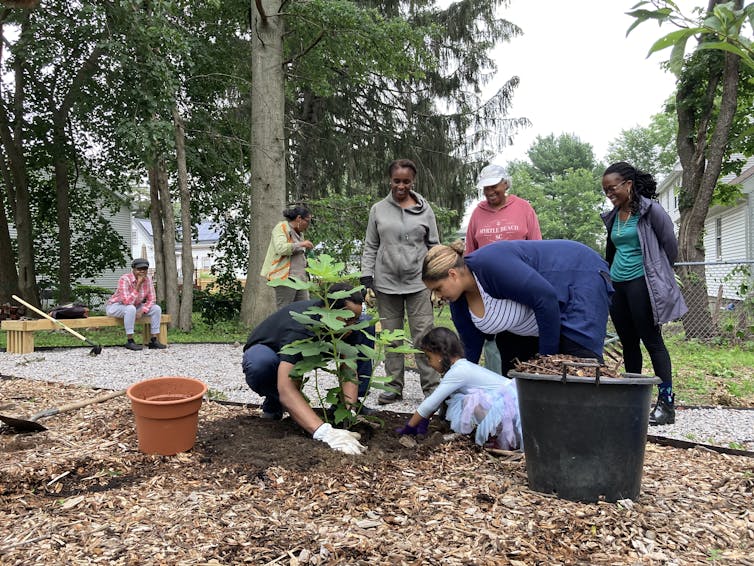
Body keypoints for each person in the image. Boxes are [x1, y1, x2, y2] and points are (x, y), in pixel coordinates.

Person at [422, 240, 613, 373]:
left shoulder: (492, 265)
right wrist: (451, 392)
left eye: (438, 288)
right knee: (516, 375)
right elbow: (470, 350)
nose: (437, 296)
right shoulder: (458, 300)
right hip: (537, 316)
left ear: (453, 274)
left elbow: (545, 299)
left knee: (580, 365)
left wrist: (546, 361)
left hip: (578, 277)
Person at [601, 161, 688, 426]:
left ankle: (666, 403)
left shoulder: (652, 211)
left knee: (652, 341)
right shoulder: (614, 216)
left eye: (612, 188)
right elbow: (613, 250)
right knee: (628, 342)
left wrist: (657, 274)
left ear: (628, 184)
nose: (609, 194)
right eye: (605, 190)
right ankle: (633, 399)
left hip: (642, 283)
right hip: (618, 285)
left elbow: (670, 248)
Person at [241, 283, 370, 455]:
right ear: (330, 310)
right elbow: (286, 388)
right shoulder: (302, 326)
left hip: (315, 346)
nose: (352, 325)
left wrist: (349, 414)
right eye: (348, 320)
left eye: (355, 319)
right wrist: (325, 433)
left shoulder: (349, 324)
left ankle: (340, 410)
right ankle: (274, 402)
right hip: (270, 349)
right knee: (261, 365)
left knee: (367, 324)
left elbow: (349, 370)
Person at [360, 158, 441, 404]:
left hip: (418, 283)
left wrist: (436, 280)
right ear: (390, 180)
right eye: (397, 181)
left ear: (412, 181)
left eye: (406, 181)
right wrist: (367, 277)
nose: (401, 186)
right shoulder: (378, 210)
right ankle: (393, 387)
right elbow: (371, 245)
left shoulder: (425, 210)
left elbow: (434, 245)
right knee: (391, 337)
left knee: (424, 336)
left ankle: (431, 388)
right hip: (386, 284)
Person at [465, 163, 542, 376]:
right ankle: (503, 384)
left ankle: (528, 383)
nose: (489, 192)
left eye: (494, 186)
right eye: (485, 188)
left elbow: (537, 246)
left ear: (505, 183)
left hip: (521, 283)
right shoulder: (478, 213)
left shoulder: (523, 207)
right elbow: (470, 252)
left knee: (524, 336)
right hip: (489, 289)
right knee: (499, 339)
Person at [396, 327, 522, 451]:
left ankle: (501, 438)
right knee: (465, 400)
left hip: (512, 407)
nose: (429, 363)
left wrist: (409, 427)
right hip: (513, 400)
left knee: (472, 401)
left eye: (429, 358)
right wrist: (424, 421)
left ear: (439, 354)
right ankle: (498, 436)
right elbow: (438, 399)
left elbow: (430, 403)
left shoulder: (458, 372)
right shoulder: (460, 367)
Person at [105, 258, 167, 351]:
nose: (142, 271)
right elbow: (127, 302)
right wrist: (138, 285)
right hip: (116, 306)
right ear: (133, 269)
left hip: (135, 306)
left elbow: (152, 299)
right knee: (130, 309)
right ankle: (130, 341)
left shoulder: (148, 279)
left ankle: (153, 340)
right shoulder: (124, 279)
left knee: (156, 308)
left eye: (144, 269)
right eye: (139, 269)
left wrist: (143, 311)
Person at [260, 205, 314, 308]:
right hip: (286, 277)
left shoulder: (299, 234)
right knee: (285, 310)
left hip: (301, 278)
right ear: (299, 218)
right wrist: (301, 244)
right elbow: (280, 248)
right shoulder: (282, 227)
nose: (308, 225)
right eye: (307, 221)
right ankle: (281, 325)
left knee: (304, 310)